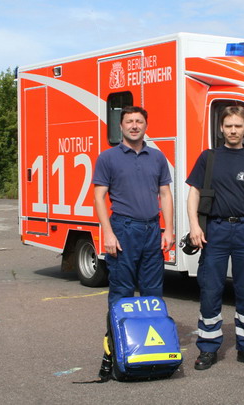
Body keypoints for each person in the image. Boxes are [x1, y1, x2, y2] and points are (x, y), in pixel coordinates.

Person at [186, 105, 244, 370]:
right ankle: (207, 349)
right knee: (211, 289)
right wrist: (195, 225)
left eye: (238, 126)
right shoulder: (209, 158)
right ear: (221, 128)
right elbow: (193, 193)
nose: (233, 130)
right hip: (215, 230)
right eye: (228, 126)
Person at [92, 105, 174, 380]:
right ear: (121, 126)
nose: (135, 125)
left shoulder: (157, 157)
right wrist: (108, 233)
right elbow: (99, 197)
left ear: (146, 125)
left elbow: (165, 195)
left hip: (152, 230)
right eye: (129, 121)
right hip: (123, 229)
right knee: (122, 294)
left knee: (153, 294)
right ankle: (117, 351)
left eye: (139, 121)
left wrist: (169, 230)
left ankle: (152, 353)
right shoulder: (108, 158)